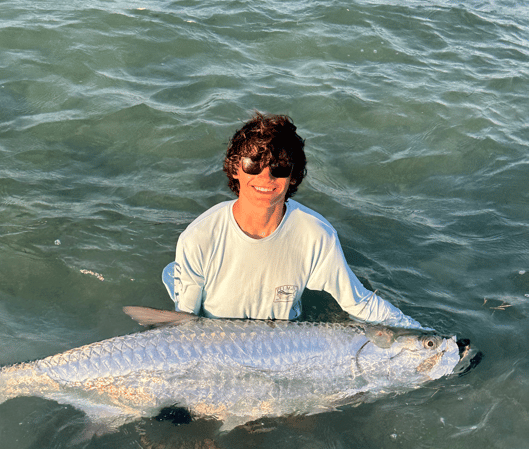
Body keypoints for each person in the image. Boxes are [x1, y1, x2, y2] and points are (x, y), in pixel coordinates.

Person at [162, 112, 424, 329]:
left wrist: (420, 333)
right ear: (235, 168)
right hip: (216, 334)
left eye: (280, 167)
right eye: (253, 164)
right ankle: (178, 277)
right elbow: (186, 324)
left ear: (294, 176)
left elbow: (359, 302)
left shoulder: (316, 234)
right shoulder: (199, 236)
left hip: (282, 337)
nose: (265, 177)